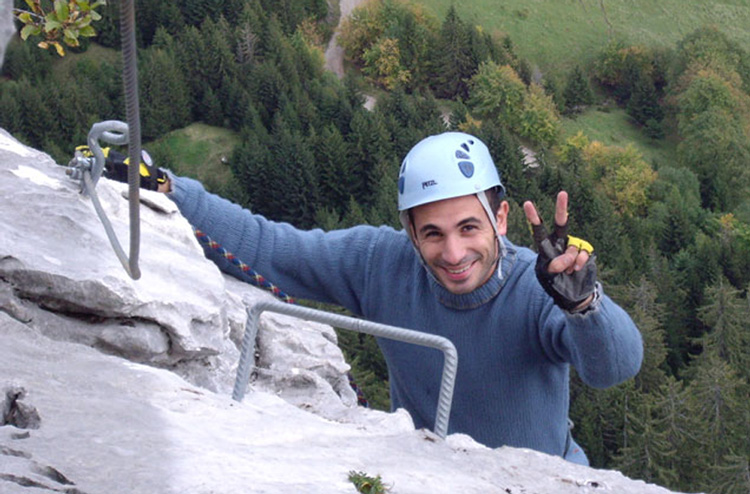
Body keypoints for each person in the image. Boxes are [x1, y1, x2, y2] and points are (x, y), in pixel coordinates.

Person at [106, 131, 643, 465]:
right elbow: (272, 248)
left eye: (469, 227)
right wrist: (168, 191)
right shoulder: (381, 263)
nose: (453, 253)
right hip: (426, 475)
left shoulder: (535, 286)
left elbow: (614, 368)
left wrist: (583, 304)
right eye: (432, 233)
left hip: (537, 479)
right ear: (410, 232)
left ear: (500, 219)